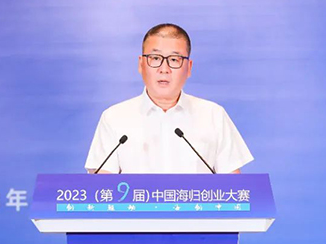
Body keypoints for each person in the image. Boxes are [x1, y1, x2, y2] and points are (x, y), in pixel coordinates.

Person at [85, 23, 253, 174]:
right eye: (155, 58)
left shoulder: (213, 115)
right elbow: (101, 189)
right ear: (141, 64)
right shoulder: (114, 118)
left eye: (174, 59)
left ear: (189, 67)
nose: (164, 69)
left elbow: (234, 188)